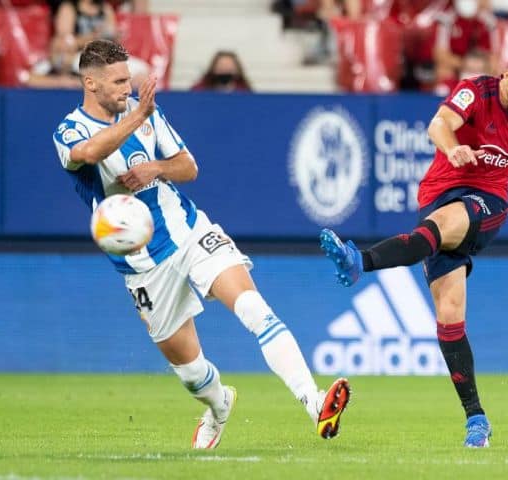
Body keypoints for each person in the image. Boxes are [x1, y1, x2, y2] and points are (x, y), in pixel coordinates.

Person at [52, 39, 351, 449]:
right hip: (142, 265)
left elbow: (189, 167)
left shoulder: (146, 115)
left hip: (189, 230)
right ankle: (219, 405)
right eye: (119, 81)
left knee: (252, 306)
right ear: (91, 83)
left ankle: (315, 403)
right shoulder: (70, 129)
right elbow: (88, 152)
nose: (127, 87)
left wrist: (156, 166)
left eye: (129, 79)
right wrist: (138, 114)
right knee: (191, 371)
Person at [320, 43, 508, 448]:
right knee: (450, 316)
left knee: (442, 224)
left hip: (487, 203)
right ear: (507, 74)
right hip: (440, 196)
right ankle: (477, 419)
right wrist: (451, 146)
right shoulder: (476, 91)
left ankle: (358, 262)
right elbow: (439, 124)